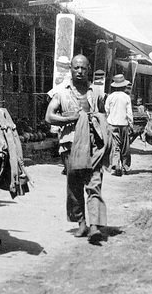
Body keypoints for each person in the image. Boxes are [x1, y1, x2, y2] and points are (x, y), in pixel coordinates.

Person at [45, 54, 108, 243]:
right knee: (74, 186)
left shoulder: (96, 92)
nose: (79, 71)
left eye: (83, 68)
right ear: (70, 70)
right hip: (70, 144)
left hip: (94, 144)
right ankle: (81, 223)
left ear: (88, 69)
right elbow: (49, 117)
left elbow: (104, 114)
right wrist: (69, 119)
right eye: (76, 68)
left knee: (94, 183)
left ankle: (95, 226)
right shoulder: (62, 94)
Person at [105, 73, 134, 176]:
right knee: (125, 147)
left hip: (112, 124)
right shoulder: (126, 97)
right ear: (123, 86)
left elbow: (106, 111)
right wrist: (131, 124)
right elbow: (129, 112)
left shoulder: (110, 97)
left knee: (115, 145)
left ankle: (116, 165)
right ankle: (126, 167)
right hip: (124, 124)